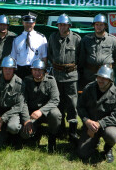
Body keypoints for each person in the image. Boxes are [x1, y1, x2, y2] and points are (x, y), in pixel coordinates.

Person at [77, 65, 116, 163]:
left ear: (110, 80)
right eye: (99, 77)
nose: (100, 80)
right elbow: (80, 106)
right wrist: (87, 121)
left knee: (112, 135)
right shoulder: (89, 88)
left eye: (104, 78)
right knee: (82, 154)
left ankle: (108, 148)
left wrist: (99, 124)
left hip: (106, 126)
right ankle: (94, 141)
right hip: (89, 125)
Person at [48, 13, 81, 143]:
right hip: (56, 75)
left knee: (73, 104)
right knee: (58, 102)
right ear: (58, 26)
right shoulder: (52, 37)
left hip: (71, 76)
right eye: (60, 25)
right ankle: (60, 128)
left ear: (69, 25)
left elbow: (80, 57)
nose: (62, 27)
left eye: (65, 25)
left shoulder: (76, 39)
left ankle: (72, 131)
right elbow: (50, 54)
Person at [20, 59, 62, 153]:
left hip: (46, 113)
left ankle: (52, 138)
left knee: (56, 114)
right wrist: (27, 120)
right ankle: (36, 133)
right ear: (31, 71)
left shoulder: (51, 81)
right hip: (32, 114)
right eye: (35, 70)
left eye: (40, 70)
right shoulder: (26, 81)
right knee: (24, 134)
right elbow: (23, 102)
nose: (37, 72)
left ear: (44, 71)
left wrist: (41, 111)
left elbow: (55, 100)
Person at [0, 55, 25, 148]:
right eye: (5, 68)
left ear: (14, 70)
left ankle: (15, 137)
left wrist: (3, 118)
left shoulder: (19, 83)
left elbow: (19, 106)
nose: (8, 71)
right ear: (2, 69)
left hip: (12, 113)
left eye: (10, 69)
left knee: (13, 127)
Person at [78, 13, 116, 90]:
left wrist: (109, 66)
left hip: (106, 75)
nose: (98, 27)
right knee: (89, 96)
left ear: (105, 26)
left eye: (101, 24)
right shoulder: (86, 39)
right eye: (97, 24)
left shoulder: (112, 40)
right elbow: (81, 57)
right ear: (93, 25)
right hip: (89, 74)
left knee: (106, 96)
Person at [11, 12, 47, 80]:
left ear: (34, 23)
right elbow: (13, 57)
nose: (28, 25)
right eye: (26, 23)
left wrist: (44, 71)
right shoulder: (17, 39)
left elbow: (44, 56)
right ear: (23, 23)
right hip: (20, 70)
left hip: (36, 70)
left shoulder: (41, 38)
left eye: (30, 23)